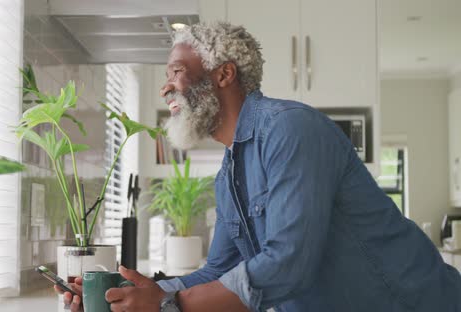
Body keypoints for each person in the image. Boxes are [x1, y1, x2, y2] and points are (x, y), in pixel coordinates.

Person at [56, 21, 461, 312]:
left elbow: (288, 264)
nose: (166, 88)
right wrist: (129, 293)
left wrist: (168, 303)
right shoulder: (230, 170)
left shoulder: (289, 129)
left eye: (176, 72)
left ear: (224, 75)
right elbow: (220, 270)